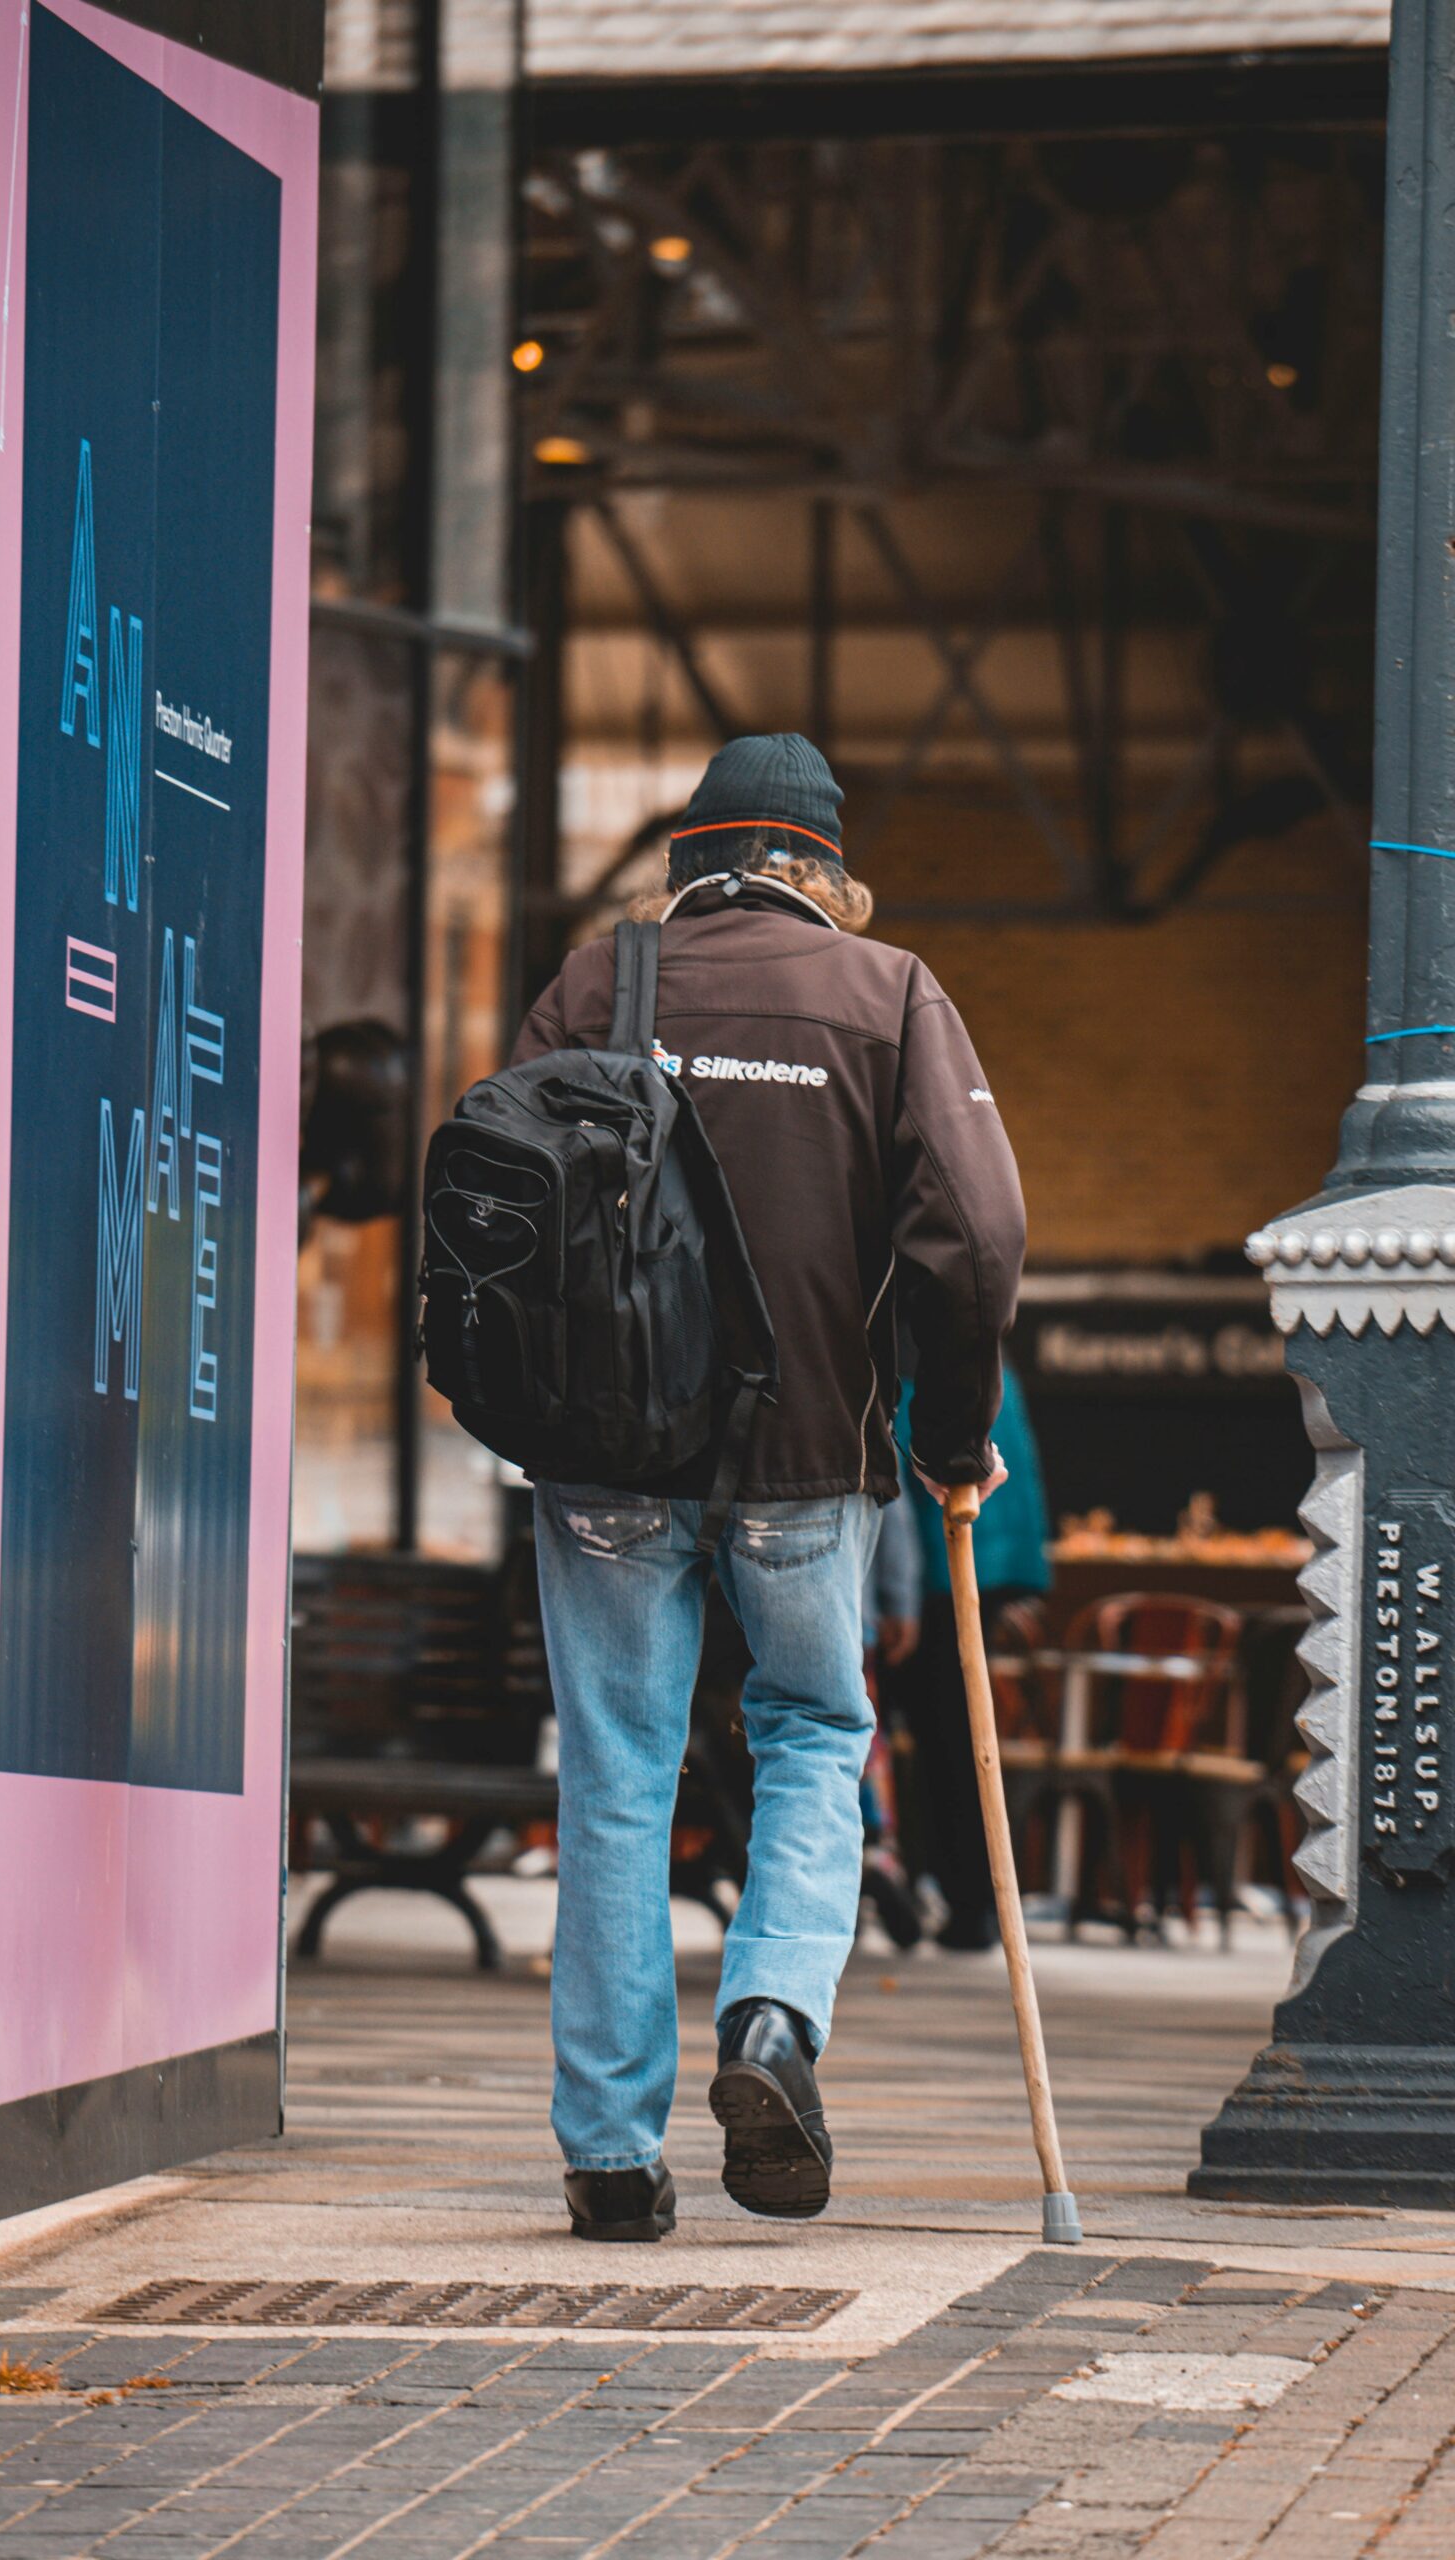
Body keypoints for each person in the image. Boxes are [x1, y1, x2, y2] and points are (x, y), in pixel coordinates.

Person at [516, 733, 1026, 2241]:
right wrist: (953, 1433)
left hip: (605, 1453)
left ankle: (612, 2158)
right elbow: (980, 1238)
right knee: (813, 1732)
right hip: (809, 1459)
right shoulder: (890, 997)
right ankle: (772, 2023)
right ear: (823, 876)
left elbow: (494, 1192)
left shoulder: (599, 988)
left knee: (617, 1774)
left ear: (689, 864)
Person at [889, 1359, 1051, 1949]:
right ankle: (975, 1902)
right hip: (988, 1570)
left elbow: (901, 1495)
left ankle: (969, 1903)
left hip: (941, 1578)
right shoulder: (999, 1377)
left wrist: (896, 1599)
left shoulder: (909, 1383)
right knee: (963, 1744)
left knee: (948, 1746)